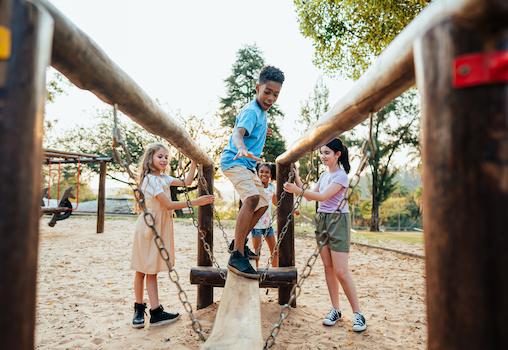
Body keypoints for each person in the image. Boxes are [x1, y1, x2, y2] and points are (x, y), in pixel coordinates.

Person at [283, 138, 367, 332]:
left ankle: (358, 314)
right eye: (321, 153)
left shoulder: (341, 176)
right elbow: (312, 191)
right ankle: (336, 310)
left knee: (341, 271)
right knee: (328, 268)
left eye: (327, 153)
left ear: (337, 154)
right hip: (322, 220)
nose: (323, 156)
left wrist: (297, 190)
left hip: (338, 221)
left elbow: (321, 197)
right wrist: (296, 177)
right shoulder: (324, 176)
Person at [131, 143, 214, 329]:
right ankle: (138, 308)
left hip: (160, 226)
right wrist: (196, 202)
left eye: (166, 157)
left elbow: (187, 182)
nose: (164, 160)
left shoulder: (163, 178)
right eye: (160, 156)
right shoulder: (151, 180)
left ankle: (155, 311)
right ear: (150, 158)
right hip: (149, 227)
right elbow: (168, 204)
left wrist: (193, 161)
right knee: (141, 269)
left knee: (151, 269)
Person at [221, 65, 285, 279]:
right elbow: (238, 134)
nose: (270, 98)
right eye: (267, 92)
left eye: (275, 94)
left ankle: (237, 242)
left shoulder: (261, 113)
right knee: (251, 198)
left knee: (263, 203)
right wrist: (241, 147)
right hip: (235, 160)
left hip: (247, 166)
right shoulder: (251, 111)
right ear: (258, 88)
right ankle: (237, 255)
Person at [250, 163, 278, 268]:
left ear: (271, 175)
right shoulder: (255, 187)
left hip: (268, 225)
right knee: (257, 253)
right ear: (257, 173)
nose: (264, 174)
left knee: (275, 250)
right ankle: (256, 273)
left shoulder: (271, 188)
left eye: (267, 172)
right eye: (261, 171)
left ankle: (276, 272)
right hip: (256, 225)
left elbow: (276, 203)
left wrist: (293, 211)